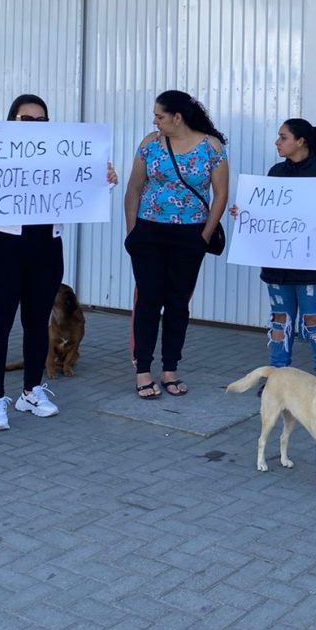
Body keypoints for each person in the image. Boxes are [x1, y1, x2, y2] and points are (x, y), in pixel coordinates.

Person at [0, 94, 118, 431]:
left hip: (47, 247)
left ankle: (31, 391)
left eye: (41, 120)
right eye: (26, 119)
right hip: (2, 246)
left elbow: (85, 193)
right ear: (11, 121)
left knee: (36, 323)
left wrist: (102, 179)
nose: (34, 126)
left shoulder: (60, 155)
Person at [124, 91, 228, 399]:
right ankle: (143, 369)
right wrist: (133, 232)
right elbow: (134, 188)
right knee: (148, 300)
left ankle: (170, 368)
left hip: (189, 235)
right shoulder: (150, 144)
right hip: (149, 233)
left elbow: (221, 194)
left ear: (177, 118)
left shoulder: (211, 147)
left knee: (178, 302)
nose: (154, 121)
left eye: (159, 116)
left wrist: (204, 237)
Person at [229, 119, 316, 380]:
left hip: (311, 268)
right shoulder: (276, 172)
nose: (277, 142)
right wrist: (246, 213)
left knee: (315, 322)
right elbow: (267, 214)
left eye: (283, 137)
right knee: (280, 323)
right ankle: (277, 379)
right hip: (277, 268)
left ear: (301, 141)